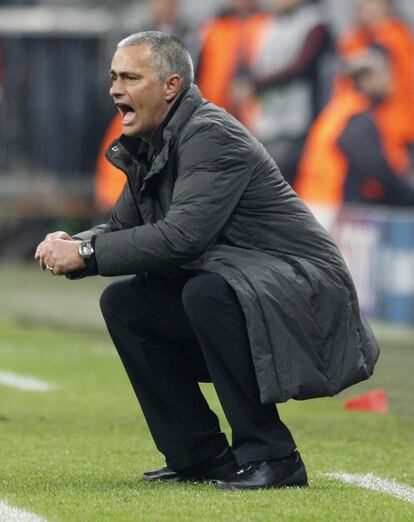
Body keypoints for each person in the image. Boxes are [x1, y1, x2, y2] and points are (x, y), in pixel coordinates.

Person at [35, 31, 379, 490]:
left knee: (207, 291)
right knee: (126, 303)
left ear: (171, 86)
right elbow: (120, 229)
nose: (115, 88)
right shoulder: (154, 140)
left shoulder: (212, 136)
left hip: (309, 299)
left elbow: (182, 238)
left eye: (130, 77)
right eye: (114, 76)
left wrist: (84, 253)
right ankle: (200, 456)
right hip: (254, 290)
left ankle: (274, 456)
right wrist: (73, 243)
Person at [295, 45, 414, 230]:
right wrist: (408, 196)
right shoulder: (356, 117)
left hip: (317, 206)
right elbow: (377, 169)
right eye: (386, 74)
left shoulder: (341, 110)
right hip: (331, 211)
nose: (391, 82)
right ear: (366, 79)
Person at [236, 0, 332, 185]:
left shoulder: (315, 24)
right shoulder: (267, 23)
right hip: (266, 118)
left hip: (296, 123)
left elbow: (300, 66)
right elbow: (249, 60)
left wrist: (255, 85)